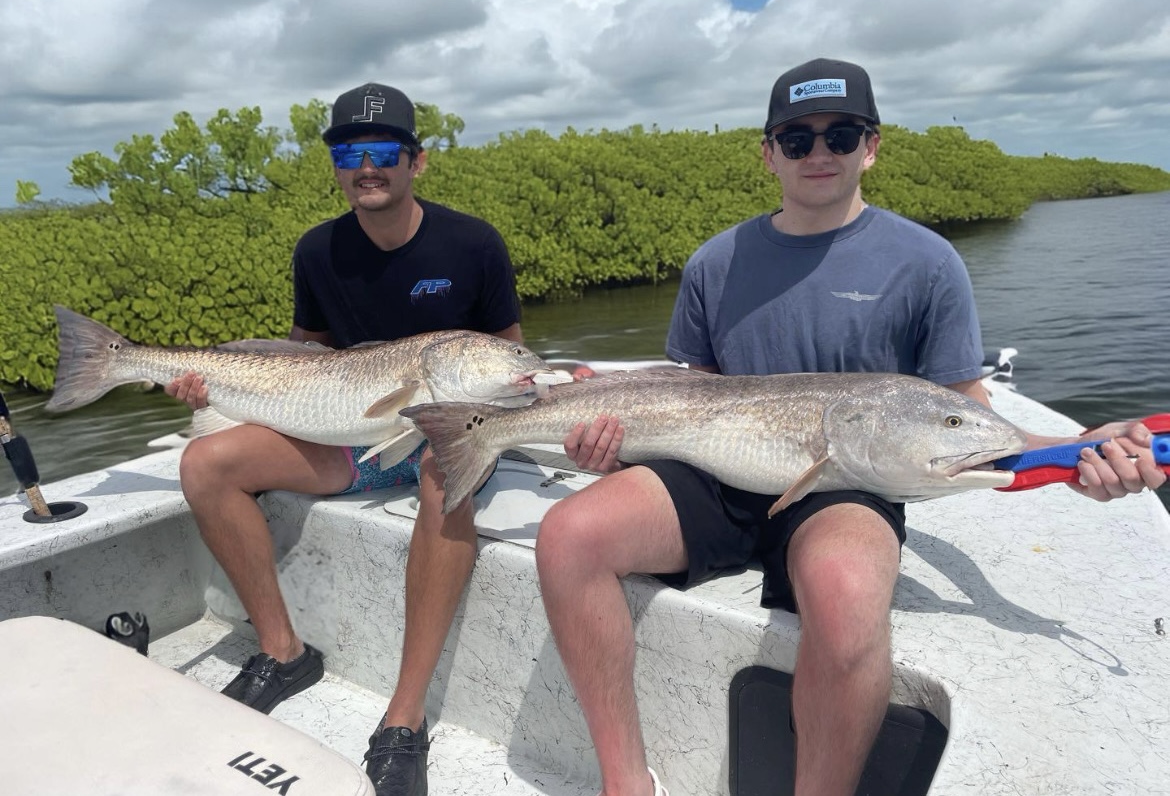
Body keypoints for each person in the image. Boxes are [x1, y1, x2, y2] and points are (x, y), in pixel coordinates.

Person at [535, 58, 1167, 796]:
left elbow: (965, 410)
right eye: (796, 139)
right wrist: (608, 444)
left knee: (842, 589)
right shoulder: (715, 262)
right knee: (568, 535)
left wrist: (1073, 458)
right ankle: (624, 782)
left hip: (848, 482)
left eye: (841, 134)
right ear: (767, 153)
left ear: (872, 145)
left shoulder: (927, 263)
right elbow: (689, 393)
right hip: (714, 468)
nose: (820, 152)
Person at [166, 82, 523, 796]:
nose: (368, 166)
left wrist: (474, 409)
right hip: (353, 429)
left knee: (438, 476)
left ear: (416, 162)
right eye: (350, 152)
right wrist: (219, 391)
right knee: (206, 463)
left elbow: (510, 357)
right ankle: (283, 649)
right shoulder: (317, 250)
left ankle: (404, 715)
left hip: (448, 428)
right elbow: (305, 360)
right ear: (335, 165)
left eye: (384, 151)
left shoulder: (473, 242)